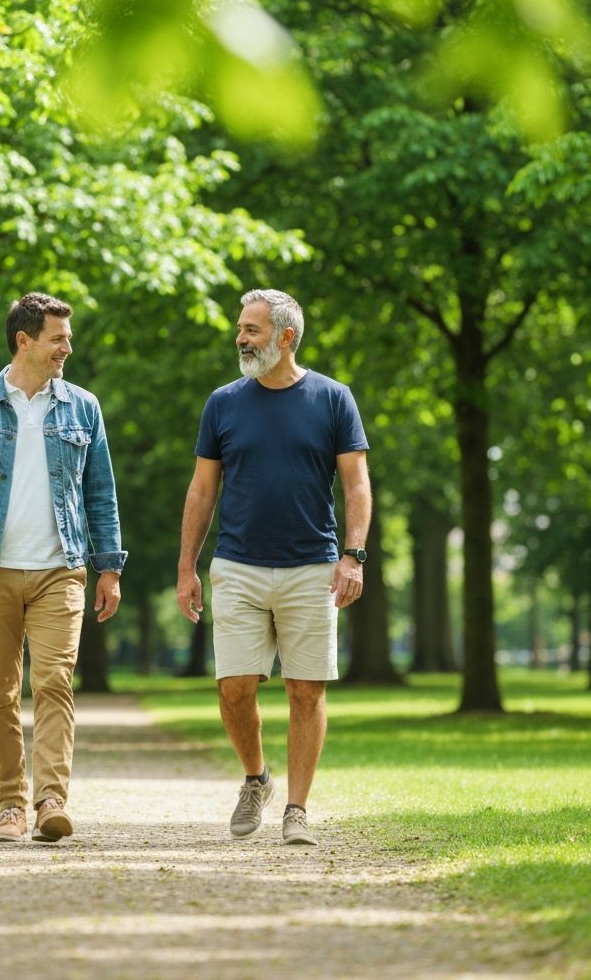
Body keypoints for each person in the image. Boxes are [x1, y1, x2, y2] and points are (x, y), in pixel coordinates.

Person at [0, 292, 126, 843]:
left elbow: (101, 493)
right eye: (58, 337)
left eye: (68, 337)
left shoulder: (84, 407)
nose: (67, 347)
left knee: (56, 681)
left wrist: (110, 568)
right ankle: (10, 806)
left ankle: (51, 800)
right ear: (25, 340)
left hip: (63, 568)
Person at [176, 289, 371, 846]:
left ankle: (297, 809)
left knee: (305, 691)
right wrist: (186, 567)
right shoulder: (224, 403)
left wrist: (352, 556)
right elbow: (201, 490)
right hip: (237, 565)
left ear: (285, 337)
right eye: (241, 329)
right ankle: (256, 777)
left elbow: (357, 484)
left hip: (312, 567)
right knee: (235, 686)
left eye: (252, 330)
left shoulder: (333, 399)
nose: (241, 338)